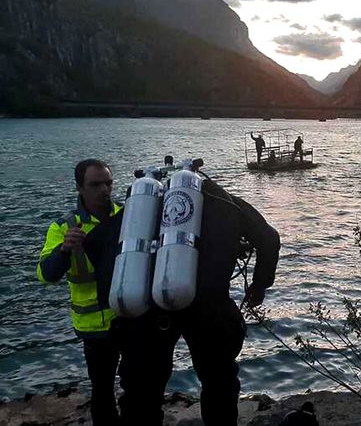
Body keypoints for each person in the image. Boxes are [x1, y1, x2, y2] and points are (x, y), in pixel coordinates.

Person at [89, 171, 281, 425]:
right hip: (208, 308)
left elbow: (94, 242)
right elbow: (269, 239)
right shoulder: (224, 201)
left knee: (141, 391)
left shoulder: (141, 206)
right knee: (218, 382)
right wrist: (259, 287)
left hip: (147, 307)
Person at [37, 159, 123, 425]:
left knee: (140, 384)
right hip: (94, 327)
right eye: (95, 184)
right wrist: (64, 251)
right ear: (79, 187)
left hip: (131, 316)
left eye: (108, 183)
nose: (104, 190)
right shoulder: (64, 227)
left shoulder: (130, 214)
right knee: (103, 390)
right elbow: (46, 275)